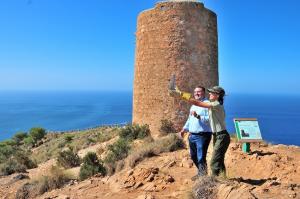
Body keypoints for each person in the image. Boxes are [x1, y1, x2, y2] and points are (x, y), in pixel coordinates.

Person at [170, 85, 230, 177]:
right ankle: (223, 178)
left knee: (214, 161)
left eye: (212, 92)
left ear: (217, 95)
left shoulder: (215, 104)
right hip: (216, 135)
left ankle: (213, 181)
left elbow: (198, 104)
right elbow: (196, 116)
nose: (209, 93)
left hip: (219, 135)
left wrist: (181, 94)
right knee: (219, 159)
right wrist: (185, 129)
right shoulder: (213, 105)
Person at [179, 86, 212, 179]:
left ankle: (203, 176)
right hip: (192, 135)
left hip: (203, 135)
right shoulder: (194, 105)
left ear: (203, 93)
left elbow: (209, 120)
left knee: (201, 157)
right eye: (195, 92)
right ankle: (201, 173)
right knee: (193, 156)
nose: (196, 94)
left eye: (199, 92)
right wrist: (184, 129)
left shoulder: (207, 104)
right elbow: (190, 119)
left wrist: (197, 116)